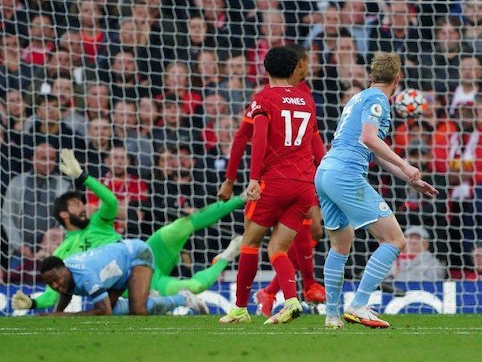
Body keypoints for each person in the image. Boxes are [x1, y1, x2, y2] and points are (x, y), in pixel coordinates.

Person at [11, 149, 245, 312]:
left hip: (144, 255)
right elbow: (55, 291)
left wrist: (83, 177)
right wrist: (32, 304)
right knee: (194, 287)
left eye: (82, 203)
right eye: (76, 205)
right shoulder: (63, 252)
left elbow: (111, 202)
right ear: (63, 214)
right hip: (138, 283)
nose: (83, 208)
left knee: (180, 226)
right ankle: (226, 256)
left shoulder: (98, 223)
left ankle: (240, 199)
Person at [315, 52, 437, 329]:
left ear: (372, 75)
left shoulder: (357, 97)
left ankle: (333, 316)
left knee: (340, 244)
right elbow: (368, 138)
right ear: (398, 78)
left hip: (325, 172)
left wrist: (408, 177)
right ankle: (359, 305)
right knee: (395, 240)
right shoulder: (378, 99)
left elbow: (372, 151)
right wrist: (407, 164)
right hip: (346, 173)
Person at [217, 44, 326, 318]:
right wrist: (324, 176)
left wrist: (253, 179)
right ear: (294, 69)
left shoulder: (263, 99)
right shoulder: (307, 101)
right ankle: (291, 300)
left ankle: (241, 308)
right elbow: (315, 143)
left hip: (273, 183)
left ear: (265, 68)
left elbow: (259, 138)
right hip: (303, 185)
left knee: (250, 244)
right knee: (278, 247)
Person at [39, 239, 205, 315]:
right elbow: (65, 294)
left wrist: (66, 316)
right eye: (50, 283)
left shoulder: (86, 276)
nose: (54, 285)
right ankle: (151, 299)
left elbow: (103, 311)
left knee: (138, 310)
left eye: (56, 279)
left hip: (137, 254)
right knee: (116, 310)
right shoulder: (65, 271)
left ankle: (183, 298)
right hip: (115, 270)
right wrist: (57, 313)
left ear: (63, 269)